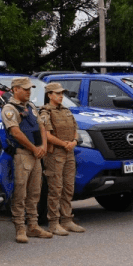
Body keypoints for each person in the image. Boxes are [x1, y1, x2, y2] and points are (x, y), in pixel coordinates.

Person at [1, 77, 51, 243]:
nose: (29, 91)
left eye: (30, 89)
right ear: (15, 89)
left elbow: (41, 126)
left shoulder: (30, 106)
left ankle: (34, 226)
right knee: (20, 192)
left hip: (36, 154)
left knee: (35, 192)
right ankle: (20, 228)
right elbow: (15, 132)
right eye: (26, 88)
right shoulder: (9, 108)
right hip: (23, 154)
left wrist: (43, 145)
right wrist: (34, 148)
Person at [39, 82, 84, 234]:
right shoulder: (45, 112)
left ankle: (67, 220)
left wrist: (75, 141)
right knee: (55, 188)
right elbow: (46, 135)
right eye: (57, 93)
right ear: (49, 95)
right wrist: (64, 144)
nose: (60, 96)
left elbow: (76, 130)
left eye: (61, 93)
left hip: (69, 152)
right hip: (55, 154)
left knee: (68, 187)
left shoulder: (66, 111)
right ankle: (53, 222)